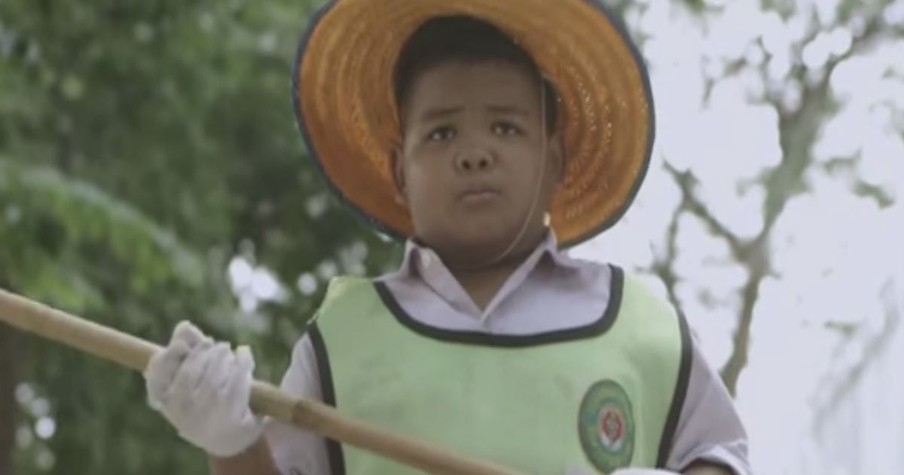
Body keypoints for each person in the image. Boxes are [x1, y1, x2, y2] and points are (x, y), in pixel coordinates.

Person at [143, 1, 752, 474]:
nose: (475, 154)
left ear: (557, 161)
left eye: (507, 128)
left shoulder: (643, 328)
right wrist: (229, 442)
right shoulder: (342, 338)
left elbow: (724, 456)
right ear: (399, 171)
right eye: (441, 134)